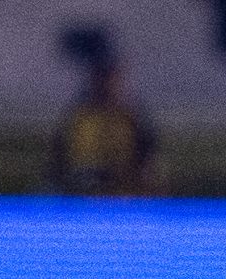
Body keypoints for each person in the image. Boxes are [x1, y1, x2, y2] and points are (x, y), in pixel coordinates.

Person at [50, 57, 160, 195]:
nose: (106, 85)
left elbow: (147, 156)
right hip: (81, 188)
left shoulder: (131, 117)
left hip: (122, 191)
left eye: (110, 80)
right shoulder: (79, 116)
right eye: (101, 79)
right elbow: (59, 155)